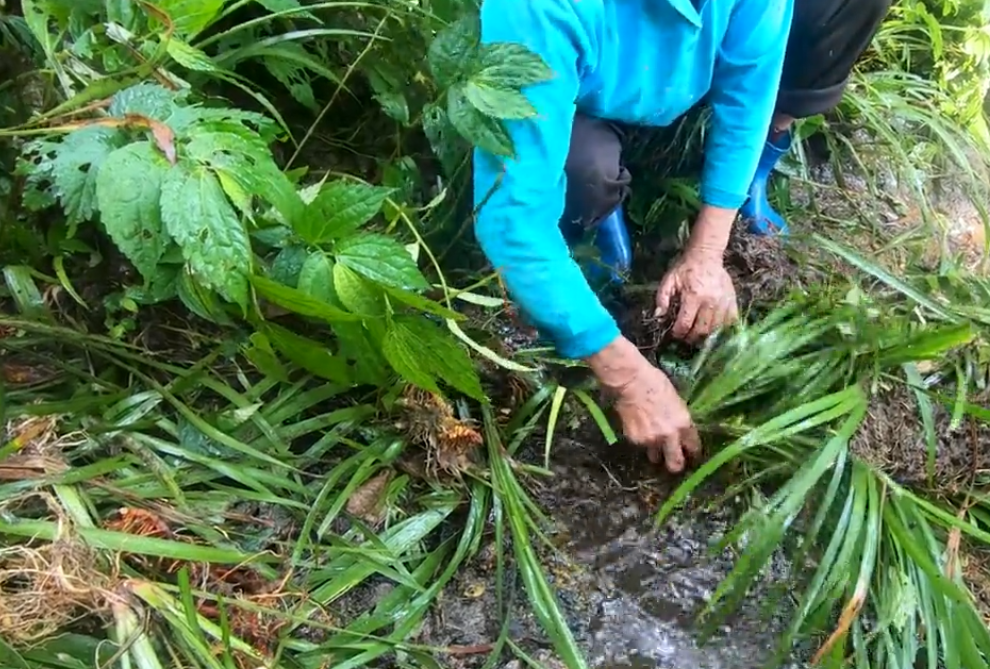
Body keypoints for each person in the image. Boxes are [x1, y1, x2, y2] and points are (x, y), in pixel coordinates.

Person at [472, 0, 892, 472]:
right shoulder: (537, 9)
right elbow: (513, 218)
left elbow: (751, 90)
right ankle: (593, 214)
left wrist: (707, 251)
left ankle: (750, 171)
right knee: (583, 174)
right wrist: (626, 375)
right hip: (579, 98)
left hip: (683, 78)